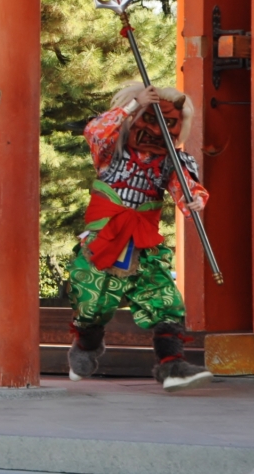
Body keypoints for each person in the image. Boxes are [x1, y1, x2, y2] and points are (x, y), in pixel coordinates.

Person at [67, 83, 213, 392]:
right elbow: (95, 130)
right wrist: (135, 103)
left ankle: (172, 366)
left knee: (165, 301)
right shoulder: (111, 149)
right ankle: (86, 344)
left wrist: (195, 200)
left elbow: (186, 188)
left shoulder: (173, 159)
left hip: (144, 242)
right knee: (91, 303)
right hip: (104, 237)